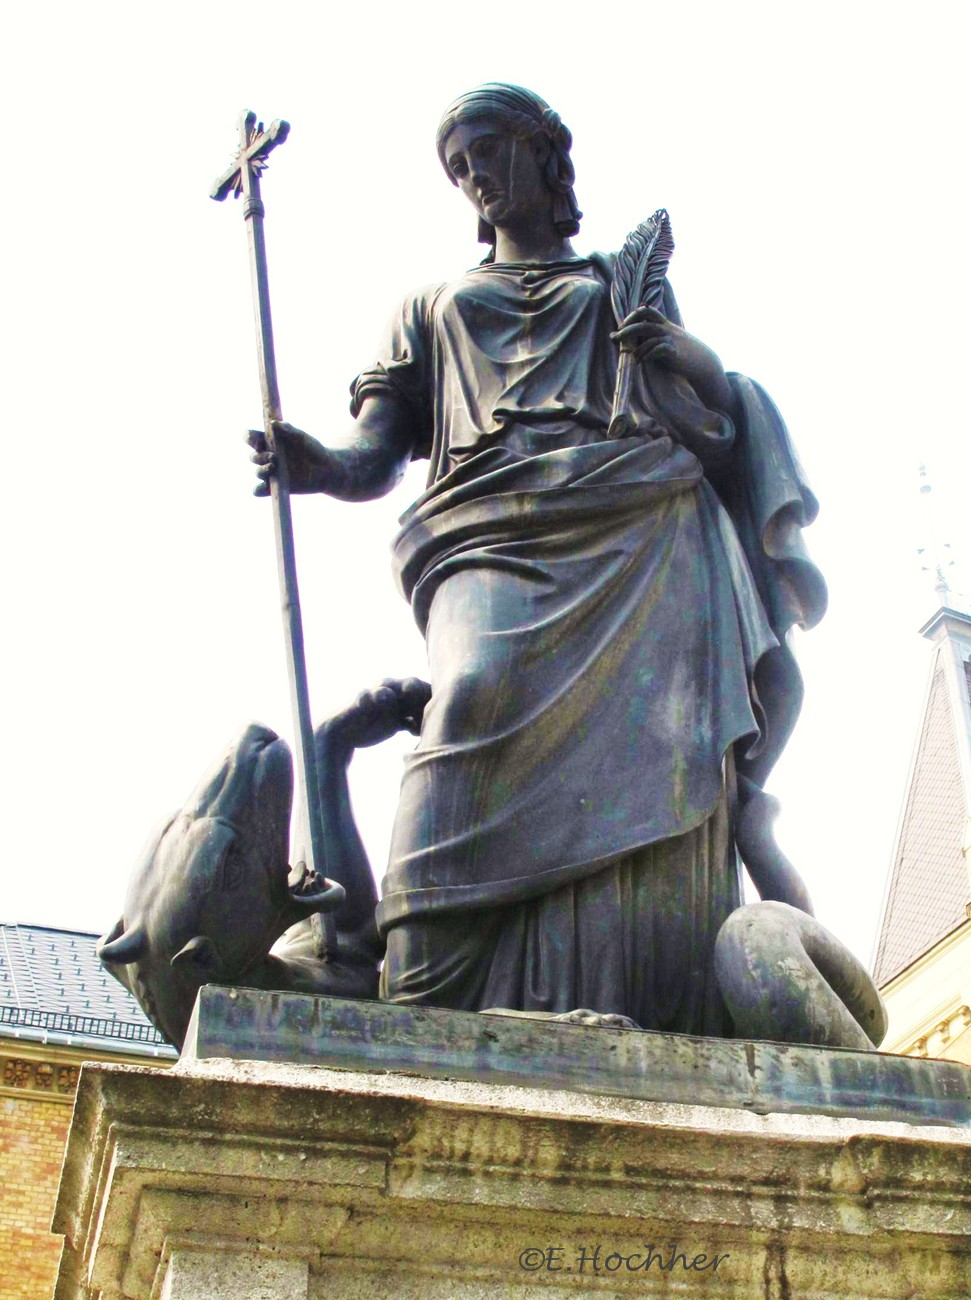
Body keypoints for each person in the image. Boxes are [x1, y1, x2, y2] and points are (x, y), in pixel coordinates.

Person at [249, 84, 827, 1037]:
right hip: (486, 529)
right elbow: (374, 451)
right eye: (457, 166)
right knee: (473, 692)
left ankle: (644, 993)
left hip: (639, 526)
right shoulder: (428, 306)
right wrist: (319, 465)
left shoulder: (613, 279)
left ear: (544, 157)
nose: (473, 177)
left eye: (486, 153)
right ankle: (430, 983)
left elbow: (706, 406)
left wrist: (669, 344)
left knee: (662, 746)